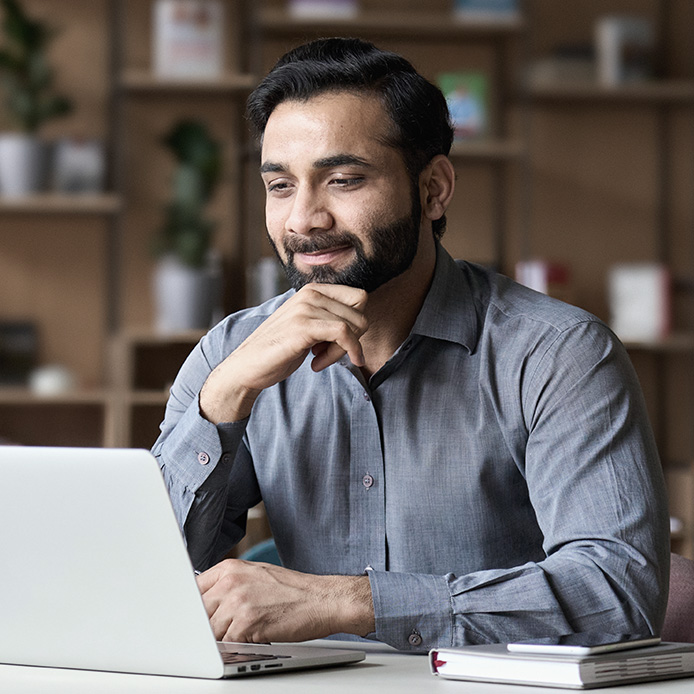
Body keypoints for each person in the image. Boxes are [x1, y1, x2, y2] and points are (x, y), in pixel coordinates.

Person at [153, 37, 670, 652]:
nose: (303, 220)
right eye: (280, 186)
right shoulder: (230, 354)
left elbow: (618, 593)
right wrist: (224, 401)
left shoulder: (558, 354)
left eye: (342, 179)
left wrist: (350, 602)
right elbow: (141, 578)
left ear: (433, 189)